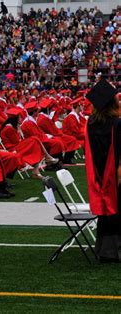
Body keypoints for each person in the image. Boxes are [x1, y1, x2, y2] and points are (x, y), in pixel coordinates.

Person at [84, 79, 120, 263]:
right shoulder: (117, 124)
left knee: (106, 214)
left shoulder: (90, 124)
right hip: (116, 177)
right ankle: (116, 251)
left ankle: (104, 250)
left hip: (99, 176)